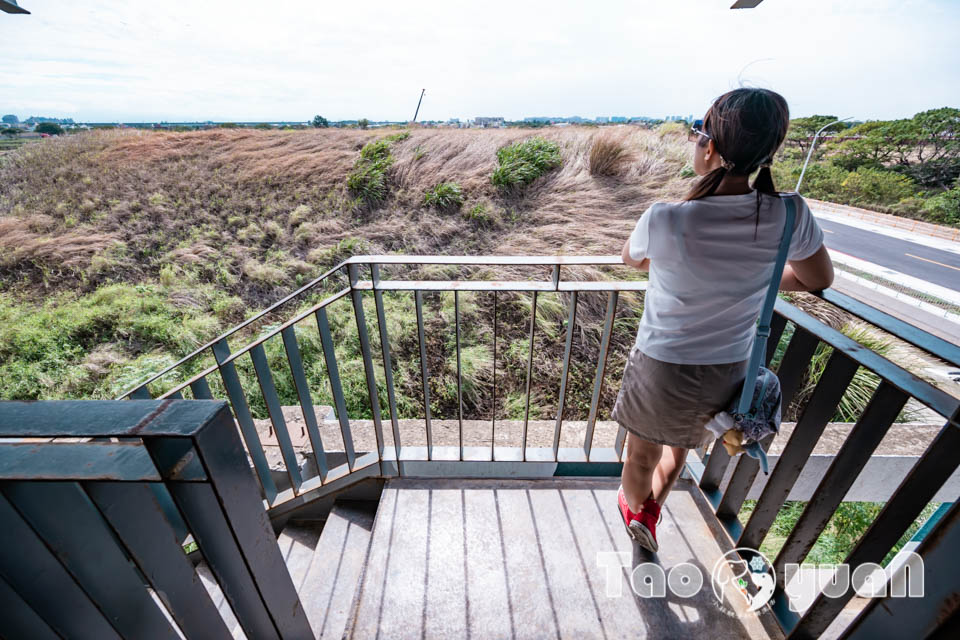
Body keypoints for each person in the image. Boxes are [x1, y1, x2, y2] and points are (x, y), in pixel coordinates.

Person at [613, 88, 834, 552]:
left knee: (639, 456)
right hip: (731, 367)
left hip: (663, 364)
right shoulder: (789, 213)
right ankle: (651, 512)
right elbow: (818, 278)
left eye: (698, 134)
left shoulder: (667, 218)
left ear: (709, 147)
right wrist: (754, 281)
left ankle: (638, 515)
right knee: (681, 447)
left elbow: (633, 260)